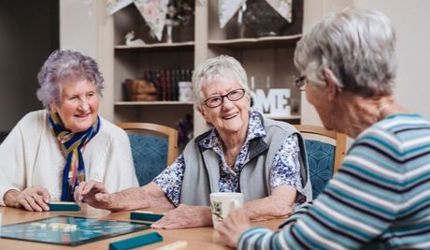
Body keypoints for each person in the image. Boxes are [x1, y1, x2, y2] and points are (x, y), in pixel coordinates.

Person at [216, 8, 430, 249]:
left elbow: (297, 247)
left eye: (304, 80)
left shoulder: (385, 149)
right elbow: (331, 218)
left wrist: (243, 235)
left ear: (329, 84)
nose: (305, 92)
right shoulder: (415, 132)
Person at [74, 55, 312, 229]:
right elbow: (153, 194)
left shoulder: (282, 138)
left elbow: (280, 205)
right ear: (203, 113)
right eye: (215, 100)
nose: (228, 105)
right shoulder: (197, 148)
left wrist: (208, 215)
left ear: (248, 98)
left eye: (234, 94)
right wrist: (108, 200)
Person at [0, 49, 138, 212]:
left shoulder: (115, 137)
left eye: (91, 94)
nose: (85, 106)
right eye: (73, 98)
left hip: (98, 234)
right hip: (39, 230)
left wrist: (108, 200)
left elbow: (129, 206)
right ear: (53, 103)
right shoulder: (31, 124)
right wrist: (15, 196)